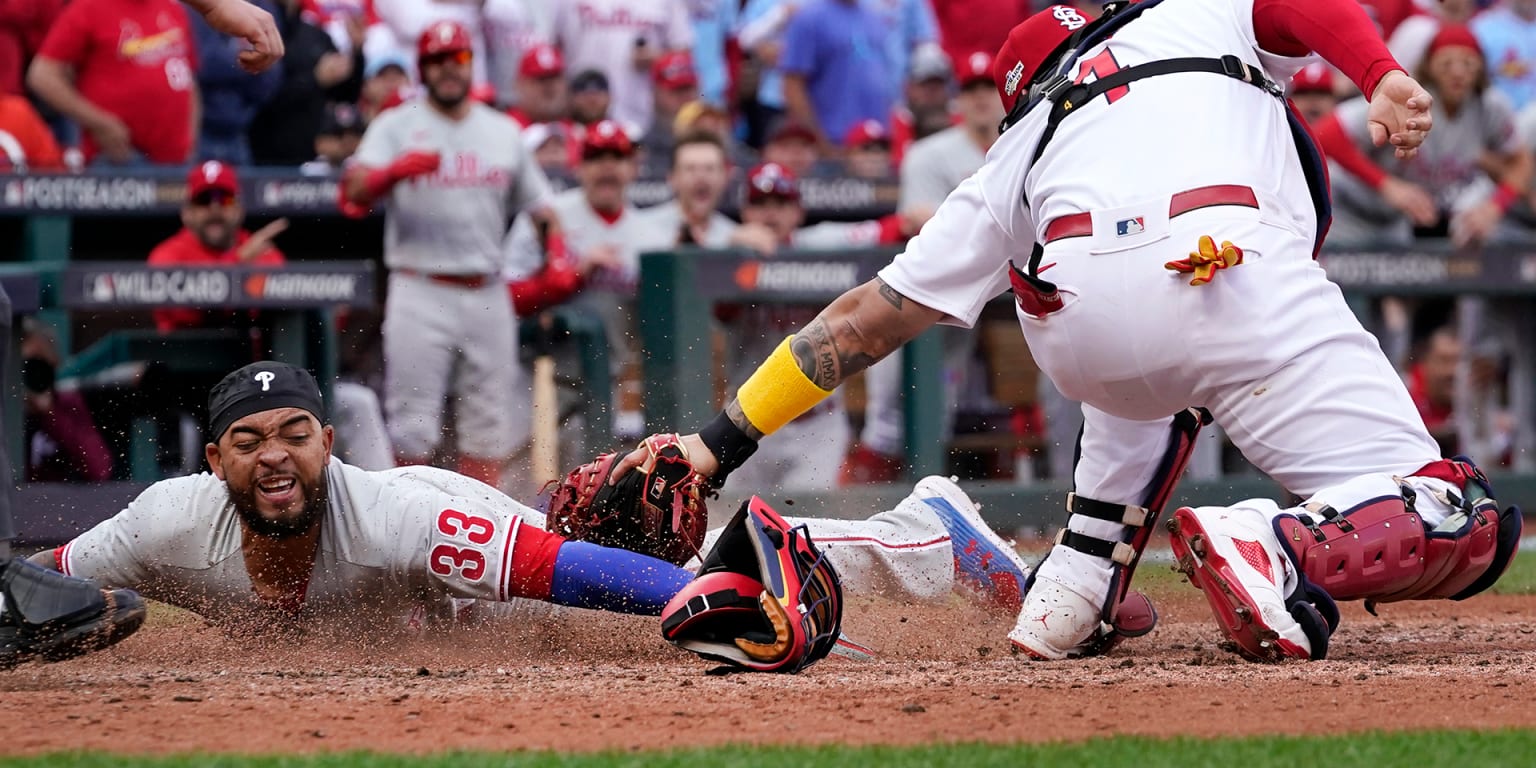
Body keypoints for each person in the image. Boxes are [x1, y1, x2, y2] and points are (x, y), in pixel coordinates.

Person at [617, 0, 1520, 664]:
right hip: (1230, 274)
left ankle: (1076, 584)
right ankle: (1275, 546)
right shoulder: (1193, 16)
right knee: (1463, 514)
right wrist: (1379, 73)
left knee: (1141, 380)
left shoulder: (1022, 138)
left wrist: (716, 443)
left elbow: (863, 322)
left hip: (1081, 327)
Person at [33, 360, 1032, 636]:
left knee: (679, 576)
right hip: (411, 625)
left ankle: (922, 539)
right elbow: (39, 584)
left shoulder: (393, 512)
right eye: (249, 444)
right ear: (216, 462)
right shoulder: (163, 521)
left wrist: (705, 601)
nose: (276, 458)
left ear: (328, 443)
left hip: (450, 583)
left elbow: (567, 570)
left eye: (295, 434)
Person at [342, 20, 557, 491]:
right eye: (437, 60)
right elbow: (352, 192)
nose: (448, 69)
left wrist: (555, 255)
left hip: (486, 288)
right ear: (424, 67)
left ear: (470, 61)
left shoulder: (500, 129)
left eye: (456, 58)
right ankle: (405, 529)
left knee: (487, 426)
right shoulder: (397, 124)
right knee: (412, 424)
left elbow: (542, 207)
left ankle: (481, 529)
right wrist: (390, 173)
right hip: (420, 284)